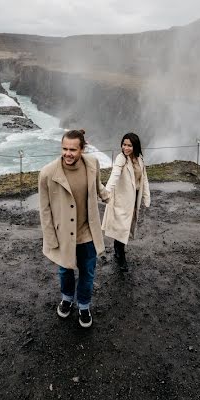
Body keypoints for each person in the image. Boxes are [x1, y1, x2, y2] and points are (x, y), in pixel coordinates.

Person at [38, 129, 111, 328]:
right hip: (63, 234)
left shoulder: (92, 164)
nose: (68, 153)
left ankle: (84, 306)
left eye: (72, 149)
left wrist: (110, 198)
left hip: (87, 231)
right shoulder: (47, 173)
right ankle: (67, 298)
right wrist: (50, 238)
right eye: (64, 149)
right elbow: (44, 210)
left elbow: (97, 186)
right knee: (65, 271)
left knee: (88, 272)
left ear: (82, 149)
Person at [102, 132, 150, 272]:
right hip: (122, 199)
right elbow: (114, 176)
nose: (126, 148)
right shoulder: (121, 158)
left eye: (129, 145)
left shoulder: (140, 159)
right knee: (122, 227)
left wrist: (146, 197)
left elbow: (144, 179)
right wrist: (105, 193)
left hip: (134, 197)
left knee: (126, 226)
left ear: (135, 146)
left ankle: (118, 249)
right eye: (124, 144)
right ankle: (120, 255)